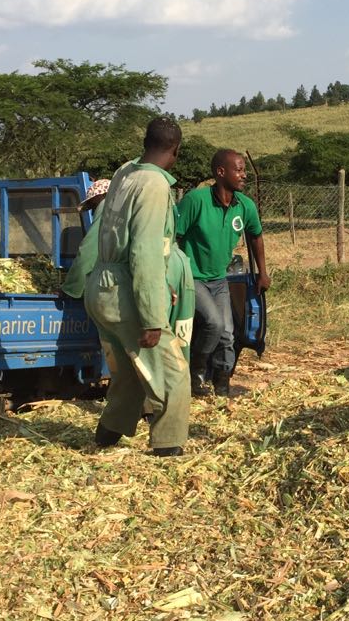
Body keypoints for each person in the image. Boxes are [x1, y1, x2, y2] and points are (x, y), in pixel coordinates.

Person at [84, 118, 192, 456]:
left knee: (131, 372)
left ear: (146, 143)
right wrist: (152, 318)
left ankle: (107, 435)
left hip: (100, 287)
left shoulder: (124, 173)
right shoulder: (155, 186)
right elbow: (145, 252)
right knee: (173, 373)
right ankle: (168, 447)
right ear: (175, 150)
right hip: (125, 294)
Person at [176, 148, 270, 398]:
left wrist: (262, 272)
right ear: (221, 172)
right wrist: (171, 275)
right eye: (239, 170)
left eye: (244, 170)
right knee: (214, 323)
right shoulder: (196, 201)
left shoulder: (244, 206)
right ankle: (195, 376)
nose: (244, 175)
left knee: (228, 333)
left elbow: (256, 235)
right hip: (191, 277)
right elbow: (173, 236)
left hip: (219, 278)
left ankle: (222, 383)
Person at [61, 178, 110, 300]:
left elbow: (89, 252)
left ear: (102, 196)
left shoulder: (106, 207)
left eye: (93, 205)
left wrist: (71, 288)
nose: (93, 211)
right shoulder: (125, 206)